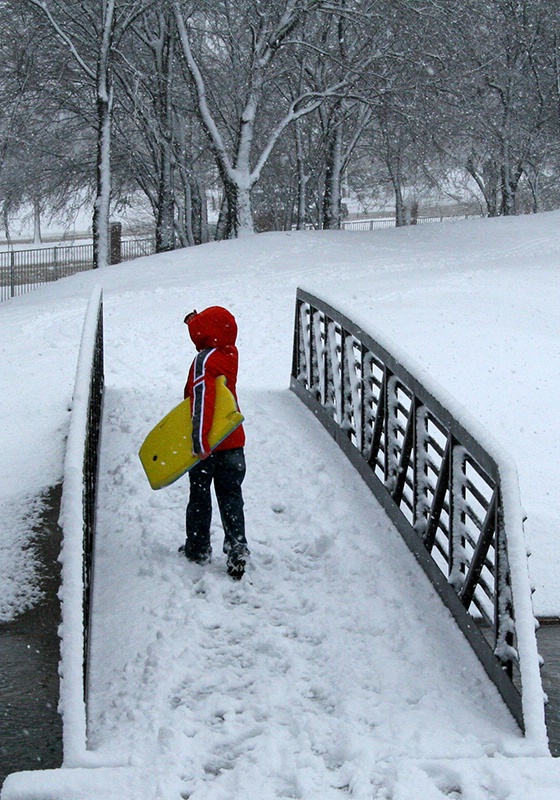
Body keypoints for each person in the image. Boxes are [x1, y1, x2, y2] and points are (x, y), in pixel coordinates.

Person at [180, 306, 249, 579]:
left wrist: (199, 441)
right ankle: (237, 546)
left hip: (209, 444)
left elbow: (203, 401)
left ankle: (197, 547)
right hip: (233, 440)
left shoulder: (204, 362)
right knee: (231, 496)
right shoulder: (228, 354)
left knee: (199, 496)